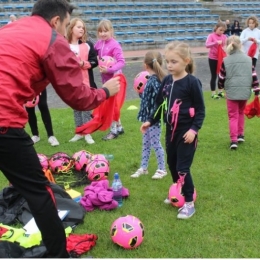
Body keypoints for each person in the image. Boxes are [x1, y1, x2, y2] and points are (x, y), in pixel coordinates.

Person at [0, 0, 120, 258]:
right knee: (39, 193)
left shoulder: (11, 29)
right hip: (3, 123)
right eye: (66, 25)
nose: (65, 31)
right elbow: (76, 96)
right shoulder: (51, 38)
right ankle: (58, 254)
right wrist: (105, 92)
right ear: (56, 21)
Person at [141, 42, 205, 219]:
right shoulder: (167, 81)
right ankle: (178, 191)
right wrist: (150, 120)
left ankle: (189, 203)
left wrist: (194, 129)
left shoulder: (192, 83)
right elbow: (160, 104)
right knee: (172, 164)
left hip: (187, 134)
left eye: (174, 62)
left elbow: (200, 110)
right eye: (167, 61)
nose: (169, 65)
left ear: (186, 61)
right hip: (171, 132)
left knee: (183, 167)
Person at [218, 35, 259, 150]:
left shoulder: (226, 60)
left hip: (231, 91)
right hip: (244, 90)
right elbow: (253, 75)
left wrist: (220, 87)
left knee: (233, 116)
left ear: (227, 46)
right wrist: (256, 90)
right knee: (241, 112)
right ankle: (240, 134)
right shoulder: (248, 59)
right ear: (240, 45)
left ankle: (233, 140)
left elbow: (221, 76)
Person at [130, 51, 167, 180]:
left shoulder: (155, 80)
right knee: (146, 143)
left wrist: (153, 117)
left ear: (145, 65)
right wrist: (140, 93)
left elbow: (160, 99)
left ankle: (162, 169)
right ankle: (143, 167)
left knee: (155, 143)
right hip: (148, 119)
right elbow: (149, 97)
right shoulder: (151, 80)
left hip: (154, 119)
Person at [67, 17, 98, 144]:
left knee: (86, 108)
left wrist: (82, 63)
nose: (82, 29)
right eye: (78, 27)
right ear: (71, 28)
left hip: (86, 82)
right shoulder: (64, 45)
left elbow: (94, 61)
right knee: (76, 107)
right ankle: (79, 132)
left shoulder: (88, 45)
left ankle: (87, 132)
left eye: (83, 27)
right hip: (71, 83)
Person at [94, 19, 126, 141]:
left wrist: (109, 69)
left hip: (115, 79)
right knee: (114, 105)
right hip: (105, 80)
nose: (103, 34)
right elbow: (92, 52)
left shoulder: (115, 45)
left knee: (111, 105)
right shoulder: (98, 44)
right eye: (100, 31)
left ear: (111, 31)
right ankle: (119, 126)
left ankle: (113, 131)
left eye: (105, 31)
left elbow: (122, 62)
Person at [205, 21, 227, 99]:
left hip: (222, 58)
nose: (221, 32)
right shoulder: (211, 36)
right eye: (220, 30)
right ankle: (213, 93)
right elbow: (207, 45)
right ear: (216, 28)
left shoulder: (224, 37)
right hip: (213, 58)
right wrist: (216, 42)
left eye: (223, 30)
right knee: (214, 75)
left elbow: (226, 45)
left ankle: (220, 91)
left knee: (221, 75)